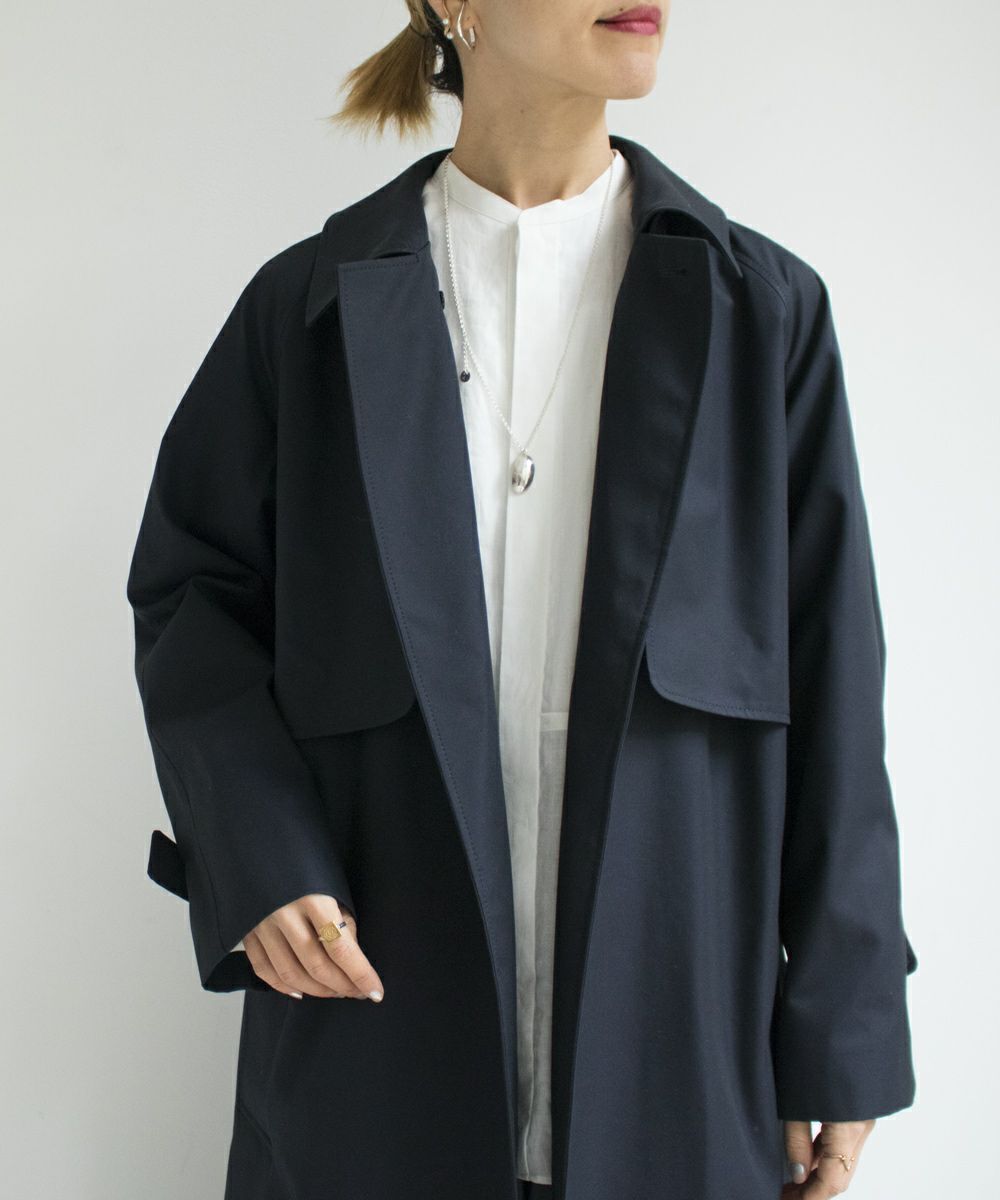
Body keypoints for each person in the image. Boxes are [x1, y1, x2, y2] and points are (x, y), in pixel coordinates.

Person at [126, 3, 918, 1199]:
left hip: (682, 1061)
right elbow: (194, 597)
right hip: (373, 1052)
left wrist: (842, 1026)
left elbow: (837, 678)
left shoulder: (759, 312)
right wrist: (260, 855)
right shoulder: (309, 310)